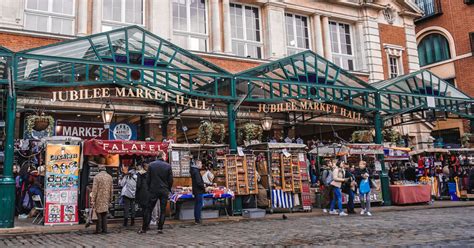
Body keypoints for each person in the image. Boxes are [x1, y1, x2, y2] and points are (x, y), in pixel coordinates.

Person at [142, 151, 173, 234]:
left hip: (153, 189)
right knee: (162, 210)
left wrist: (149, 188)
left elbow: (148, 179)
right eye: (165, 155)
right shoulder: (168, 166)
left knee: (149, 209)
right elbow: (170, 180)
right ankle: (160, 228)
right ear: (163, 156)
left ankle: (144, 228)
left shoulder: (151, 165)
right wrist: (168, 188)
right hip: (164, 190)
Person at [91, 164, 113, 234]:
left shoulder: (97, 177)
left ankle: (99, 229)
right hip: (106, 198)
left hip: (99, 197)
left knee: (99, 214)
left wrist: (93, 200)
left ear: (99, 169)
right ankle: (105, 229)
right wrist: (111, 199)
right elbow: (111, 189)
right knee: (105, 213)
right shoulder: (110, 177)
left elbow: (94, 190)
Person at [136, 160, 151, 233]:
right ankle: (147, 225)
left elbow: (138, 185)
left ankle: (144, 226)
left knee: (144, 210)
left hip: (142, 193)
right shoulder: (150, 174)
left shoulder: (140, 174)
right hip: (150, 193)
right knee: (148, 210)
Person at [190, 159, 206, 224]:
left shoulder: (194, 171)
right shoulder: (196, 172)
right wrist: (204, 186)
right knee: (199, 205)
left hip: (196, 190)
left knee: (197, 205)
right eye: (201, 164)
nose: (201, 165)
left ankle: (197, 218)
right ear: (198, 164)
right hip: (199, 191)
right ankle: (198, 219)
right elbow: (199, 182)